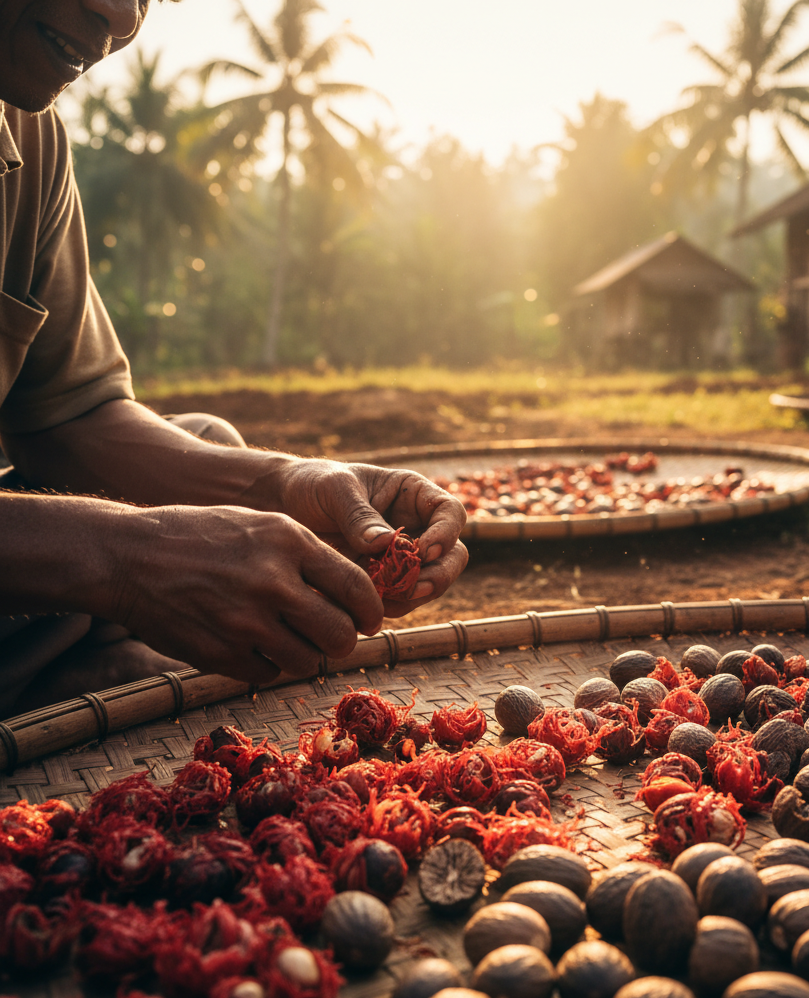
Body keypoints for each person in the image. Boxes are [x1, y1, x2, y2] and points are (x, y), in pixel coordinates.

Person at [0, 0, 469, 715]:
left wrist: (287, 484)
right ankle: (71, 674)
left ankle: (66, 673)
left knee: (210, 449)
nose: (121, 16)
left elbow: (70, 416)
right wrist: (127, 559)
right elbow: (120, 540)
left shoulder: (29, 134)